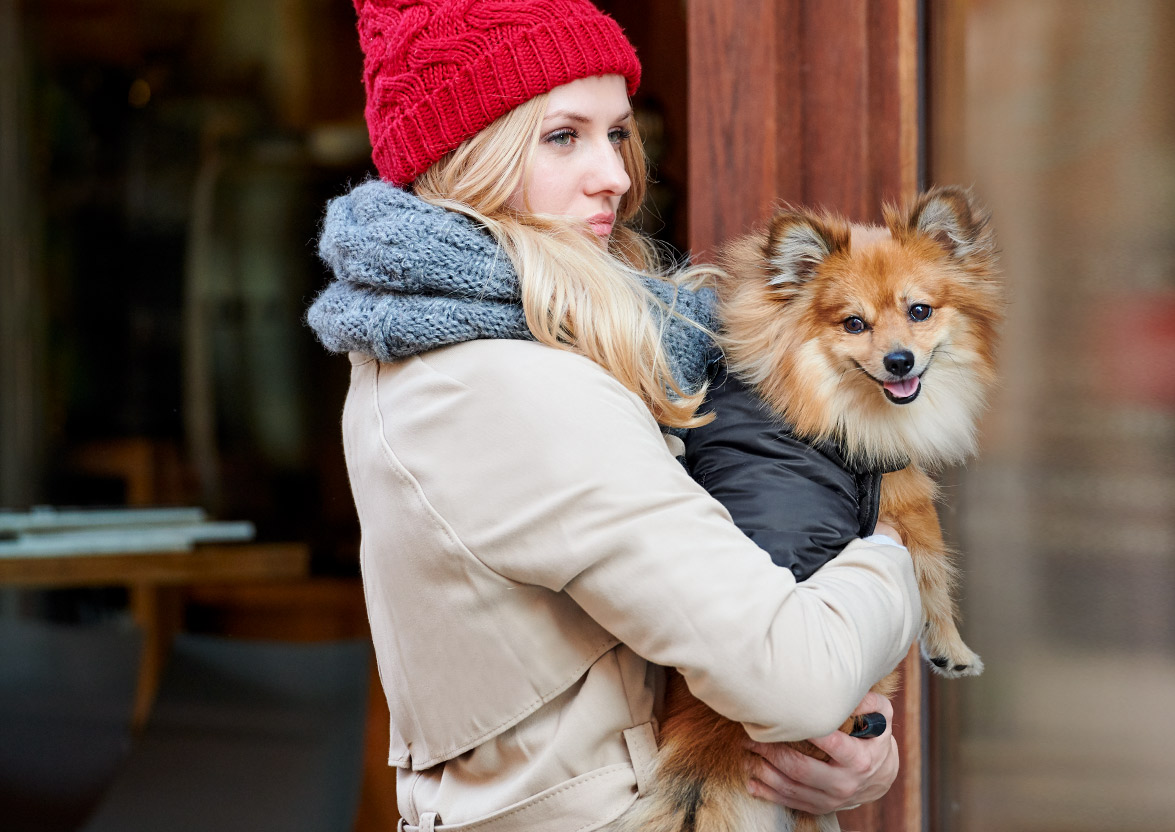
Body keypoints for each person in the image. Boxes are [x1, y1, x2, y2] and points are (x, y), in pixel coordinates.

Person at [306, 2, 923, 829]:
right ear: (470, 157)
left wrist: (854, 752)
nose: (616, 176)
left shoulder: (491, 348)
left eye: (618, 134)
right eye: (563, 136)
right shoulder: (510, 386)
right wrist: (894, 558)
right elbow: (793, 673)